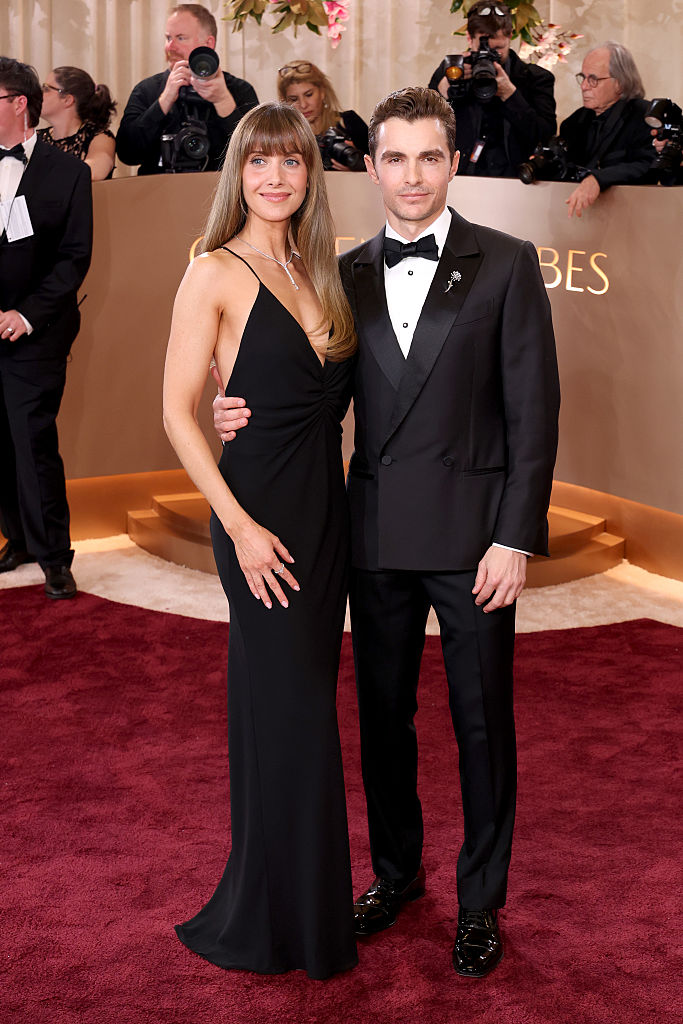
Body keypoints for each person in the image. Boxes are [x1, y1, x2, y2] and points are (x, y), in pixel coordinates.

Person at [213, 86, 560, 978]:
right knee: (383, 721)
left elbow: (534, 411)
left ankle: (480, 900)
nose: (411, 175)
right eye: (394, 158)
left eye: (428, 157)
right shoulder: (343, 270)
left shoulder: (508, 262)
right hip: (369, 535)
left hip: (476, 539)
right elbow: (311, 391)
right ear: (369, 168)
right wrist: (229, 409)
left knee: (482, 725)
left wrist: (514, 537)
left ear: (456, 162)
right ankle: (398, 874)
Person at [163, 101, 358, 979]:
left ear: (311, 175)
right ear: (237, 171)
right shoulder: (213, 270)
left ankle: (294, 902)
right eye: (259, 163)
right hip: (260, 519)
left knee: (303, 706)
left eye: (292, 163)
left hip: (326, 513)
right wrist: (238, 528)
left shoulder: (321, 269)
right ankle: (283, 921)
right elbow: (175, 413)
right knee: (293, 716)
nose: (276, 178)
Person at [0, 57, 93, 599]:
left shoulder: (68, 172)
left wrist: (26, 314)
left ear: (19, 104)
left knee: (33, 442)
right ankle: (19, 539)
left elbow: (75, 258)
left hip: (38, 332)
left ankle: (55, 555)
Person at [116, 3, 258, 174]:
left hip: (220, 194)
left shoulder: (239, 90)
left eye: (180, 38)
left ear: (208, 43)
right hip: (159, 194)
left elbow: (256, 156)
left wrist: (223, 101)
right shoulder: (147, 90)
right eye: (168, 38)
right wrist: (164, 100)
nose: (170, 47)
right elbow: (128, 154)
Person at [428, 1, 556, 177]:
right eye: (482, 49)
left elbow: (545, 136)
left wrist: (511, 95)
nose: (489, 55)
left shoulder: (537, 79)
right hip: (460, 177)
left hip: (516, 180)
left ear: (510, 36)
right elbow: (425, 130)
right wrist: (442, 93)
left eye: (497, 50)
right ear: (469, 38)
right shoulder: (450, 71)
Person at [561, 41, 653, 217]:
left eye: (593, 79)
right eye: (583, 77)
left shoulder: (645, 116)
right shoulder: (573, 122)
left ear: (619, 83)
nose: (583, 86)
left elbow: (646, 166)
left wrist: (598, 179)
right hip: (575, 218)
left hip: (632, 217)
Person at [277, 60, 368, 170]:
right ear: (285, 102)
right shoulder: (281, 135)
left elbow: (381, 171)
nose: (303, 105)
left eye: (309, 95)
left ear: (322, 92)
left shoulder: (349, 122)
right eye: (294, 99)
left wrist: (359, 166)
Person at [38, 66, 116, 180]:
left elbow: (95, 172)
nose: (38, 94)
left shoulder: (99, 137)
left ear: (67, 100)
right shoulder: (37, 138)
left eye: (46, 89)